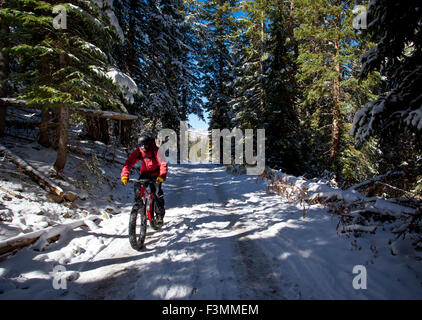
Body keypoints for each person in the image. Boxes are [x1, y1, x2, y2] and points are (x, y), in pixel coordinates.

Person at [121, 133, 168, 226]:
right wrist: (124, 175)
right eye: (140, 145)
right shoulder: (139, 151)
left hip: (157, 175)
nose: (143, 147)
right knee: (138, 188)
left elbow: (163, 163)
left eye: (145, 145)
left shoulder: (156, 151)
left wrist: (162, 175)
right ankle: (140, 207)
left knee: (157, 194)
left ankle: (159, 216)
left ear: (149, 144)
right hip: (145, 174)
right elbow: (129, 163)